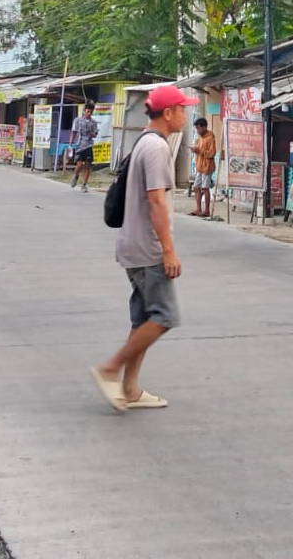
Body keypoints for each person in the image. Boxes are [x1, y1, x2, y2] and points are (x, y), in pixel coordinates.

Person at [90, 84, 199, 412]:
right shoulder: (156, 149)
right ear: (168, 113)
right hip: (147, 247)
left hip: (133, 244)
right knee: (164, 317)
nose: (185, 115)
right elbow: (156, 201)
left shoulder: (145, 143)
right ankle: (110, 368)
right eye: (182, 109)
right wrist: (167, 250)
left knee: (143, 319)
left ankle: (130, 389)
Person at [69, 103, 99, 193]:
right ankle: (75, 175)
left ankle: (84, 185)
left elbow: (95, 134)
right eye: (88, 111)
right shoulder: (77, 120)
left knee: (87, 165)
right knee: (79, 164)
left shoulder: (93, 122)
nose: (89, 113)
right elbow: (73, 132)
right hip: (79, 145)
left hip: (88, 145)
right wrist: (70, 143)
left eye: (91, 112)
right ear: (84, 111)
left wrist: (92, 134)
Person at [190, 117, 217, 217]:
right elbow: (199, 150)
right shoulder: (201, 138)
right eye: (196, 129)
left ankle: (206, 210)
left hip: (207, 167)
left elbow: (212, 153)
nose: (197, 131)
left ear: (204, 127)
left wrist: (199, 151)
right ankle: (198, 209)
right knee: (196, 187)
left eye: (198, 128)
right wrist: (195, 150)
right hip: (199, 167)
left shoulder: (210, 138)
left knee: (205, 188)